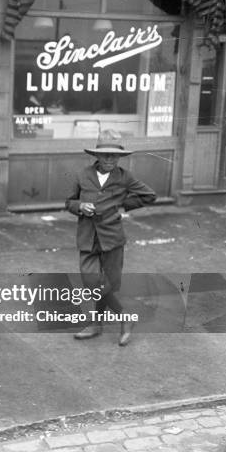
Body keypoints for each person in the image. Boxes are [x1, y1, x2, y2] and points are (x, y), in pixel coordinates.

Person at [66, 129, 157, 346]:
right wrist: (80, 206)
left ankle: (96, 324)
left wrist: (123, 206)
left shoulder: (125, 177)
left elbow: (149, 195)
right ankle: (125, 319)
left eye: (114, 155)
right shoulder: (82, 175)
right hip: (88, 237)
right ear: (96, 155)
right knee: (91, 281)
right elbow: (69, 202)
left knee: (109, 284)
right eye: (105, 154)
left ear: (119, 157)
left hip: (113, 239)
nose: (109, 159)